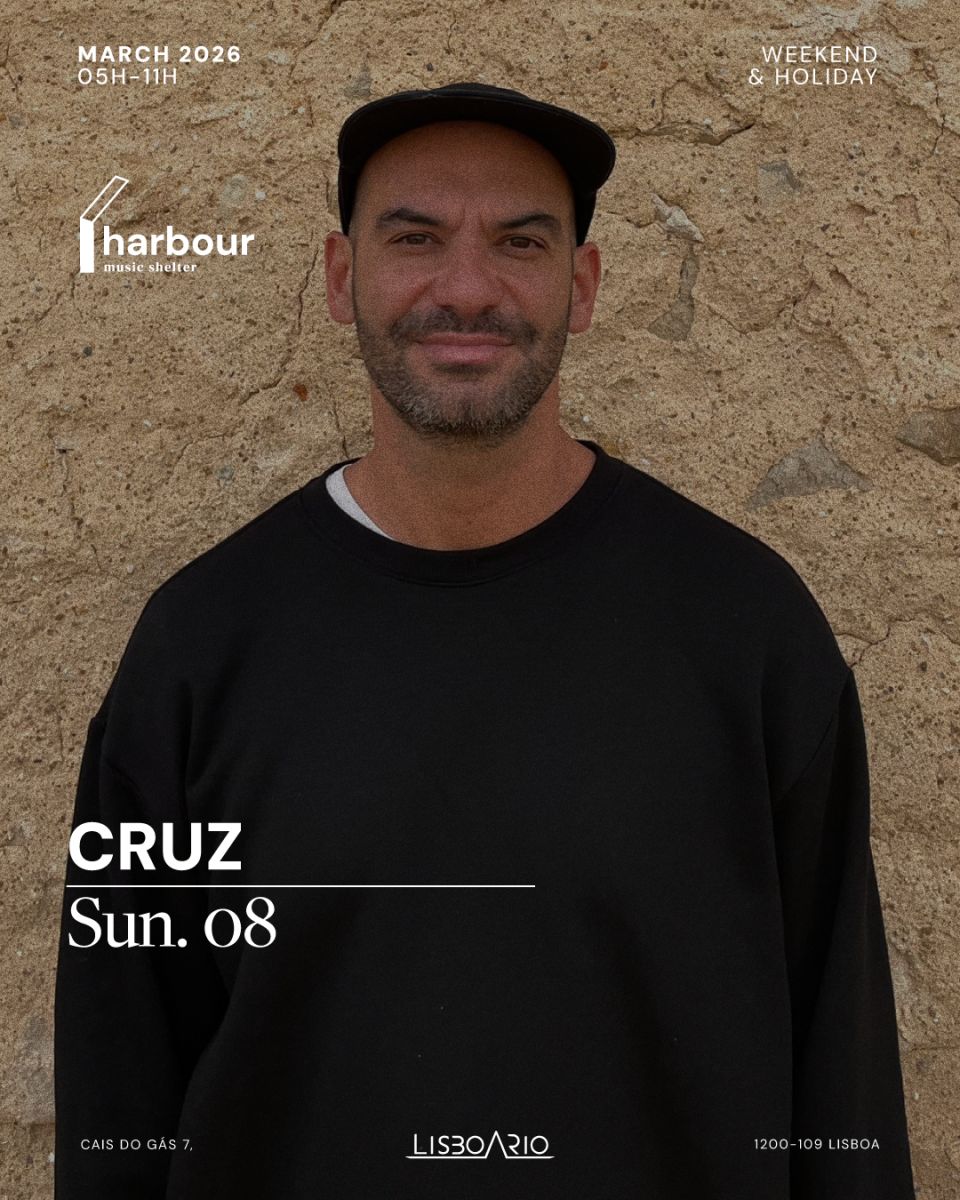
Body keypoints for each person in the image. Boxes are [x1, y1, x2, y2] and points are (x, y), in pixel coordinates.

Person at [54, 82, 915, 1199]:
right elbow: (120, 1097)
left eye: (520, 242)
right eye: (415, 239)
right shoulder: (198, 648)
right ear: (340, 277)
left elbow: (842, 1089)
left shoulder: (745, 632)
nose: (466, 288)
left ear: (583, 286)